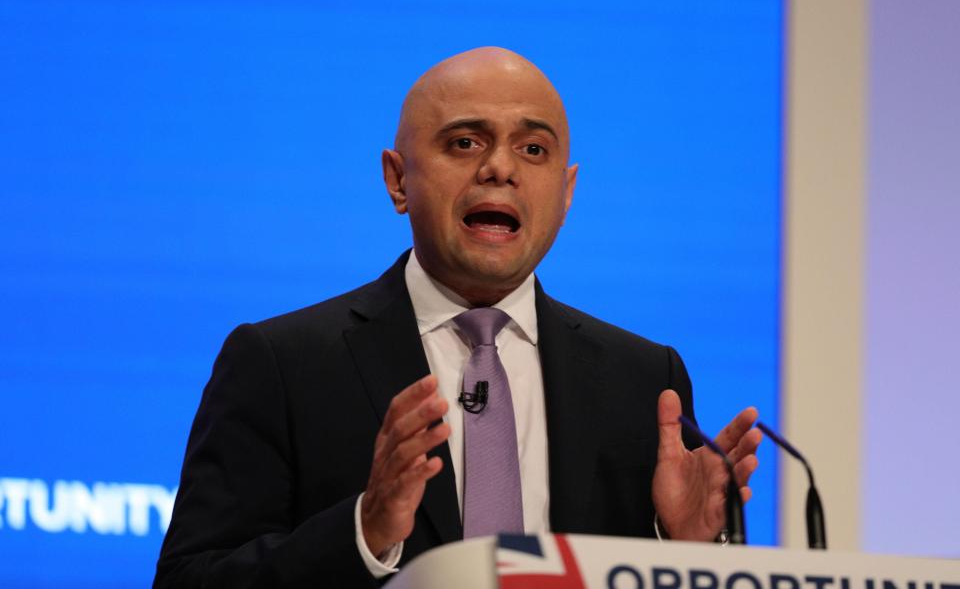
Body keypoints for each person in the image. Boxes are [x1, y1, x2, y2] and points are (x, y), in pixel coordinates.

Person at [153, 47, 761, 589]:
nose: (500, 168)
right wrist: (363, 532)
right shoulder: (282, 363)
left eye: (533, 149)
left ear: (567, 191)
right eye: (465, 142)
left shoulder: (644, 379)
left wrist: (685, 551)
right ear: (397, 180)